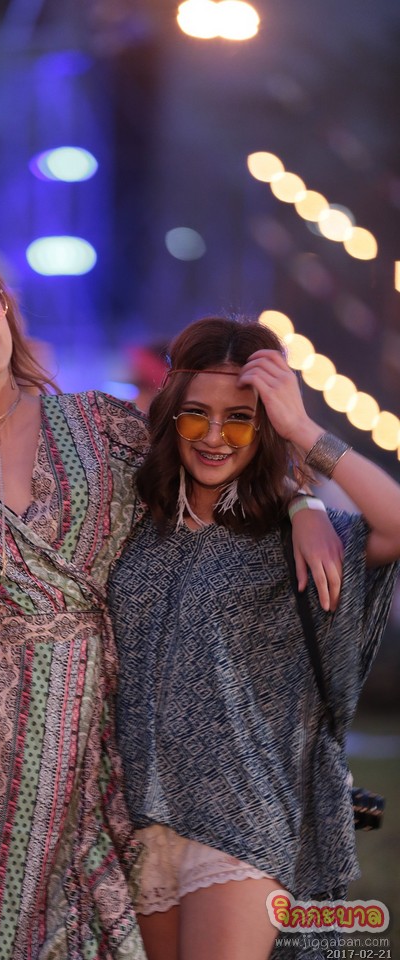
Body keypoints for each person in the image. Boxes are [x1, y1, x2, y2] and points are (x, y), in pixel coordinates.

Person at [0, 238, 342, 960]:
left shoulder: (101, 426)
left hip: (99, 743)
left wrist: (303, 502)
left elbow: (216, 470)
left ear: (3, 303)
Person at [106, 317, 400, 960]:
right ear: (171, 413)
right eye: (196, 415)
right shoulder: (127, 521)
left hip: (244, 816)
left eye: (240, 419)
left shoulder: (290, 536)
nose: (215, 437)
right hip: (136, 818)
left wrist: (304, 434)